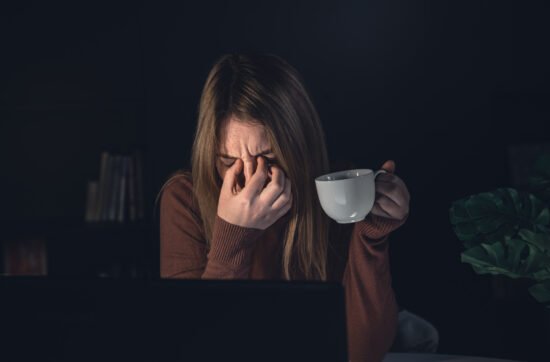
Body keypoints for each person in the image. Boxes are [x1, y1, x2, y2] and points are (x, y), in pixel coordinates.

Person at [159, 53, 410, 362]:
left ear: (298, 144)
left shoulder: (334, 192)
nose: (253, 178)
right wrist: (233, 236)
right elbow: (189, 347)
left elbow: (362, 353)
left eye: (271, 158)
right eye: (228, 162)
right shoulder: (185, 198)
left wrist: (372, 237)